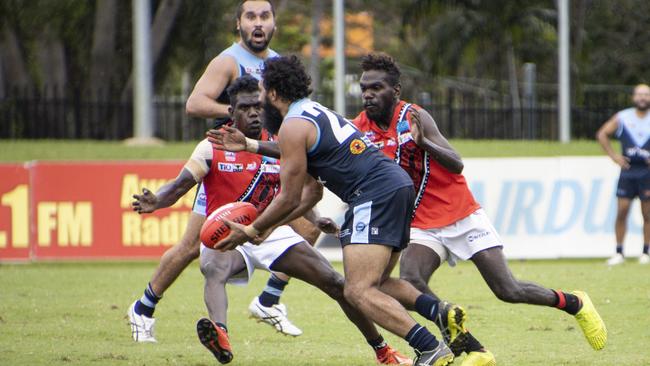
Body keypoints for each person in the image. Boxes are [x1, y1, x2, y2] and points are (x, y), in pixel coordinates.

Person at [132, 75, 412, 365]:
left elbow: (295, 191)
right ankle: (221, 335)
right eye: (244, 107)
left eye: (258, 106)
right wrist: (159, 200)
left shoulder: (283, 140)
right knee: (213, 268)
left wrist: (314, 219)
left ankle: (383, 351)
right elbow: (179, 185)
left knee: (336, 284)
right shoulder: (212, 146)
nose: (254, 112)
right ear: (231, 112)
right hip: (228, 232)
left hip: (269, 229)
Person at [351, 53, 606, 355]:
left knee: (508, 290)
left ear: (396, 91)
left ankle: (573, 302)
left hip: (459, 213)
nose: (368, 94)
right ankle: (471, 349)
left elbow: (457, 163)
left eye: (376, 87)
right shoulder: (360, 128)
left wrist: (425, 144)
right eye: (364, 87)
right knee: (412, 283)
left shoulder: (414, 117)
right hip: (419, 221)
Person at [214, 55, 457, 366]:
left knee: (357, 291)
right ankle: (440, 312)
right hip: (395, 186)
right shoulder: (312, 113)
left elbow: (288, 198)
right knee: (378, 283)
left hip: (373, 193)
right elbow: (311, 192)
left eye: (262, 92)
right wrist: (252, 146)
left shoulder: (292, 125)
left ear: (274, 93)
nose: (261, 100)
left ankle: (430, 349)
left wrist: (252, 230)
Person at [127, 0, 316, 342]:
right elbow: (195, 103)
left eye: (265, 16)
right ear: (239, 24)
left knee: (309, 225)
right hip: (225, 166)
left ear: (274, 23)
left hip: (264, 157)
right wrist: (241, 111)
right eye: (250, 17)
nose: (258, 23)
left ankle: (269, 300)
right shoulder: (228, 61)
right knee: (191, 247)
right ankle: (143, 307)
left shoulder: (276, 64)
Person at [597, 83, 650, 266]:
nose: (642, 97)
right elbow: (602, 134)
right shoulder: (623, 117)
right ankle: (619, 252)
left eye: (646, 94)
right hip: (627, 172)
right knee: (622, 211)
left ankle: (646, 252)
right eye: (639, 94)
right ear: (634, 97)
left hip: (647, 172)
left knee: (647, 213)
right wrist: (614, 156)